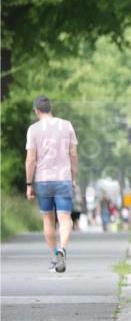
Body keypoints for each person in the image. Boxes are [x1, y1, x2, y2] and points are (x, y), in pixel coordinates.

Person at [24, 95, 77, 273]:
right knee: (65, 218)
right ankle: (63, 248)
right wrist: (73, 177)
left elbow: (31, 159)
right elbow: (73, 155)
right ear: (51, 108)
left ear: (36, 111)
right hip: (64, 178)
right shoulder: (67, 125)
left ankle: (55, 257)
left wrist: (29, 184)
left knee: (48, 219)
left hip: (43, 180)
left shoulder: (33, 129)